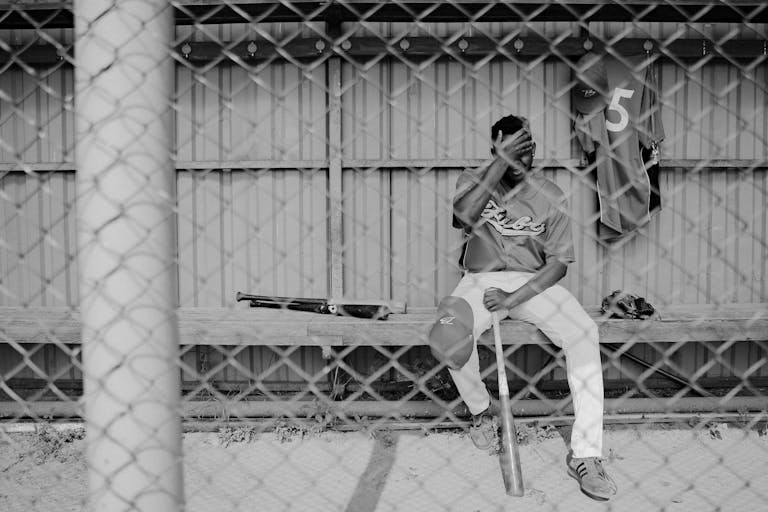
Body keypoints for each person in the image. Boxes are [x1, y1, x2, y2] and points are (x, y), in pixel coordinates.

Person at [428, 114, 617, 501]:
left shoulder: (551, 193)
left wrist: (514, 299)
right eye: (512, 146)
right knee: (449, 334)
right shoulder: (474, 180)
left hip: (531, 283)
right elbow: (461, 216)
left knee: (584, 332)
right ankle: (482, 411)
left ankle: (586, 453)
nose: (522, 154)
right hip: (480, 280)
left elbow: (559, 264)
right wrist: (501, 160)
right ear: (495, 147)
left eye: (526, 146)